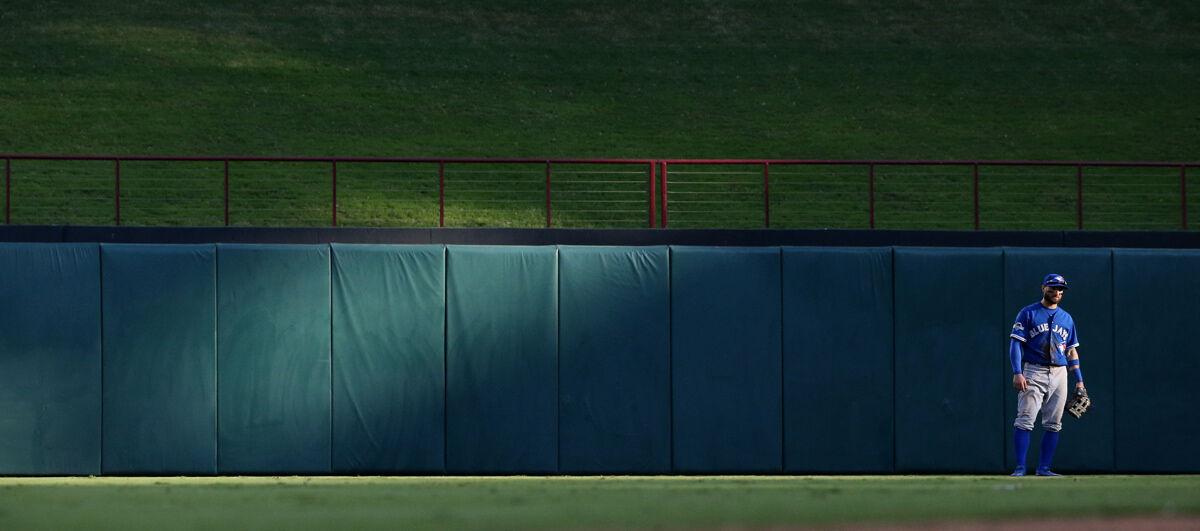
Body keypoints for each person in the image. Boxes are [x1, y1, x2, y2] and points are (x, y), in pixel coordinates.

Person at [1007, 273, 1085, 476]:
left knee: (1054, 423)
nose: (1057, 292)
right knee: (1025, 419)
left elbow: (1071, 351)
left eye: (1060, 289)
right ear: (1043, 288)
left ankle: (1044, 468)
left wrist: (1080, 382)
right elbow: (1015, 343)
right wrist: (1017, 372)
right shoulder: (1028, 313)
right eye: (1053, 288)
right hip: (1033, 370)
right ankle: (1020, 468)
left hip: (1060, 373)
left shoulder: (1067, 318)